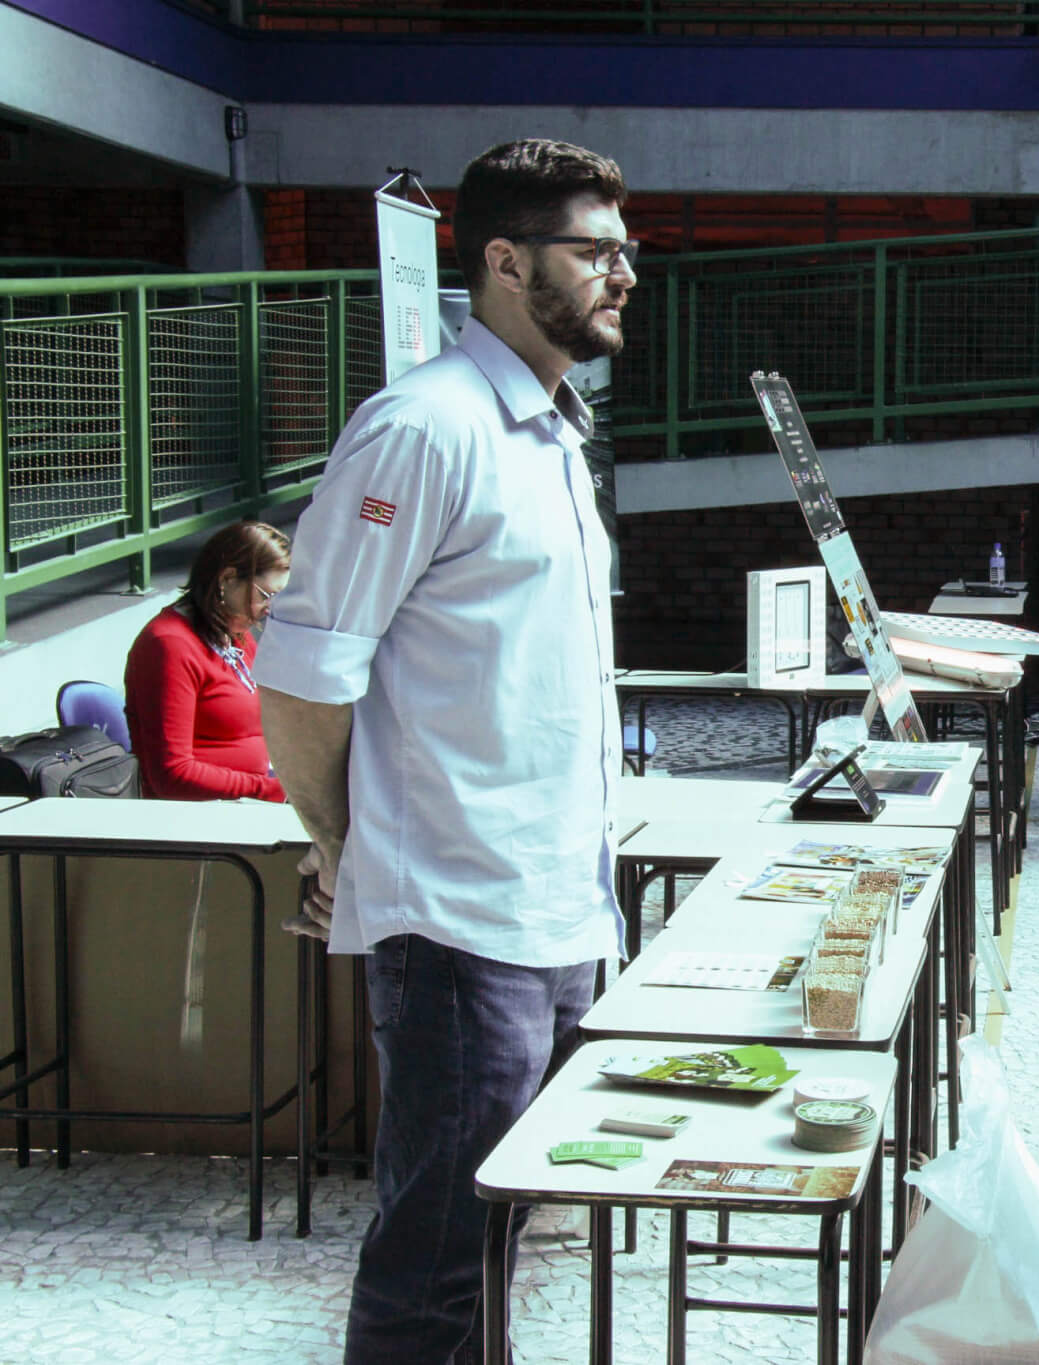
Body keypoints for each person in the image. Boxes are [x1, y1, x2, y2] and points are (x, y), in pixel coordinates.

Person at [253, 138, 634, 1364]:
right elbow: (307, 676)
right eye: (594, 251)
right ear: (507, 262)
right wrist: (343, 847)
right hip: (459, 920)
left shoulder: (553, 433)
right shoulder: (423, 429)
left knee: (502, 1239)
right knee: (435, 1256)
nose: (623, 274)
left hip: (555, 904)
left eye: (625, 251)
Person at [123, 520, 291, 802]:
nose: (270, 609)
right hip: (204, 815)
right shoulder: (168, 646)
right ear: (226, 580)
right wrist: (273, 791)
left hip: (251, 797)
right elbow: (171, 775)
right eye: (267, 595)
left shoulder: (233, 630)